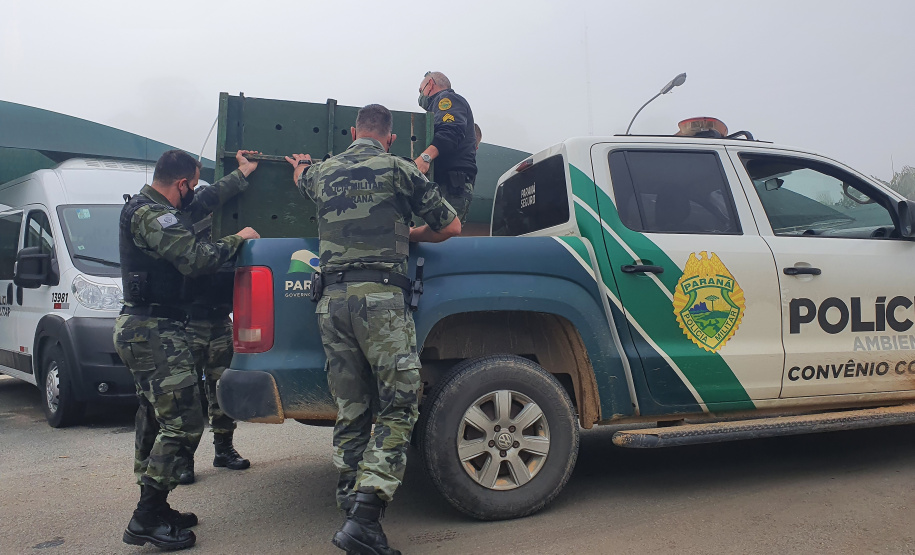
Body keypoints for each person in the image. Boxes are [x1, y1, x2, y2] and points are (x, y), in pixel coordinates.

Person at [285, 104, 461, 555]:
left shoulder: (322, 174)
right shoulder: (399, 169)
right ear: (390, 137)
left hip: (330, 304)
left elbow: (300, 180)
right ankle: (365, 518)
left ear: (352, 132)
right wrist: (409, 234)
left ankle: (354, 516)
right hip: (380, 302)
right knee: (399, 405)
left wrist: (301, 165)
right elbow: (452, 225)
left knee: (351, 408)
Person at [114, 149, 260, 550]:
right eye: (191, 185)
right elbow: (196, 259)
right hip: (151, 329)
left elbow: (206, 200)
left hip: (155, 327)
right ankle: (144, 518)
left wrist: (242, 174)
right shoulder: (151, 214)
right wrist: (239, 239)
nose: (193, 194)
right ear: (180, 182)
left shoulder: (161, 207)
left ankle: (156, 508)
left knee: (160, 416)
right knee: (183, 422)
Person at [175, 153, 258, 485]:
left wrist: (244, 171)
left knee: (220, 389)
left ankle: (224, 449)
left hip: (218, 321)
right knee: (185, 395)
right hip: (186, 321)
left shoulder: (221, 227)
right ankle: (183, 459)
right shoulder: (182, 227)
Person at [414, 71, 477, 223]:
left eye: (420, 90)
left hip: (452, 185)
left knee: (443, 234)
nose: (420, 95)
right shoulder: (436, 108)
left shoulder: (447, 99)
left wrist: (425, 158)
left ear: (430, 85)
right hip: (447, 182)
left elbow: (450, 133)